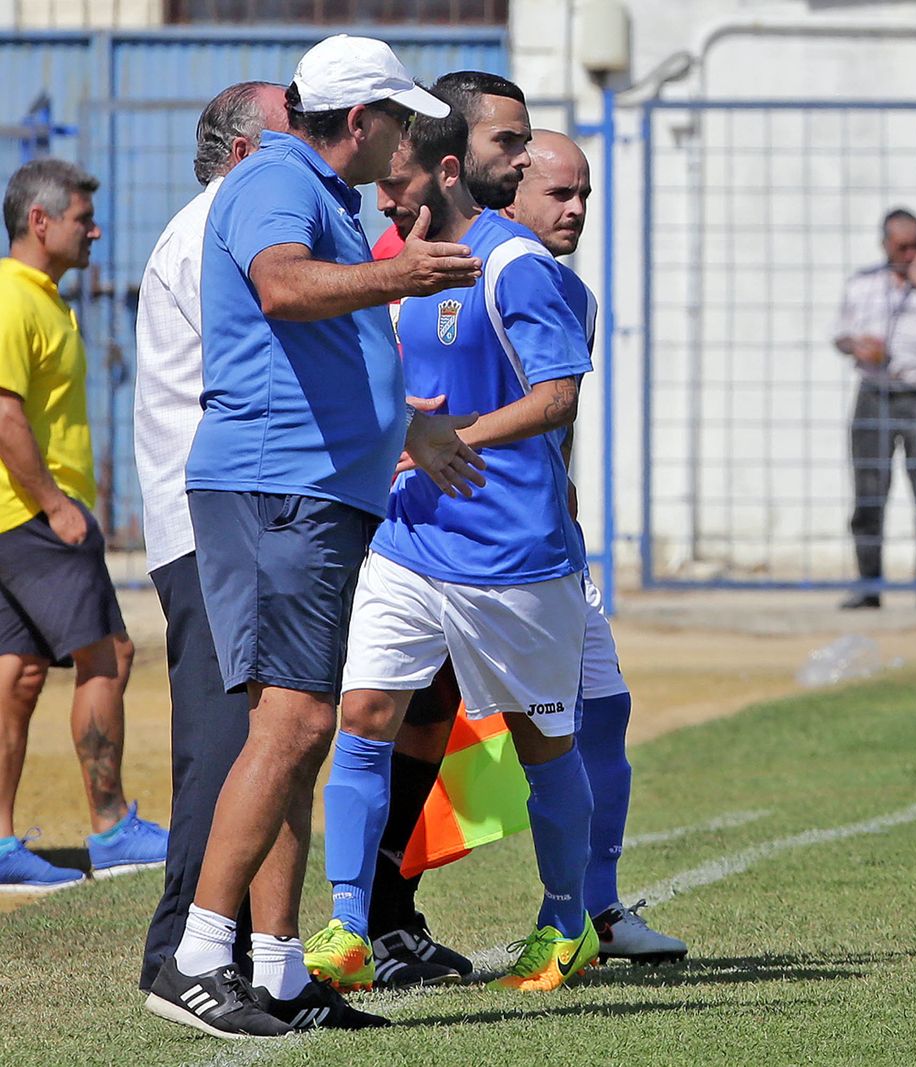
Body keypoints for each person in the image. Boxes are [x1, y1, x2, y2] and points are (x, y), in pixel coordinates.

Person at [144, 34, 485, 1040]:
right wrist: (403, 277)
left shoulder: (314, 192)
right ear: (359, 121)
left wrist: (404, 423)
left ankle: (280, 967)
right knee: (288, 728)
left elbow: (318, 334)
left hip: (307, 493)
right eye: (400, 118)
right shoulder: (278, 181)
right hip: (274, 492)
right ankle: (199, 955)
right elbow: (282, 288)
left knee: (294, 733)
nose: (408, 138)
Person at [299, 103, 598, 996]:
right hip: (411, 536)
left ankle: (566, 916)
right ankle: (350, 921)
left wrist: (460, 437)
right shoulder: (398, 271)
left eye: (396, 182)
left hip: (514, 556)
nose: (384, 198)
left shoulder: (515, 266)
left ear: (445, 174)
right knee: (363, 716)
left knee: (543, 741)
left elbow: (557, 398)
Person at [505, 129, 688, 964]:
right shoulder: (460, 272)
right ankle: (365, 921)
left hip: (552, 546)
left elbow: (560, 421)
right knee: (397, 730)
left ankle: (597, 910)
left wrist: (562, 490)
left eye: (584, 194)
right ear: (510, 189)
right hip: (452, 547)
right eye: (558, 194)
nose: (575, 209)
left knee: (604, 712)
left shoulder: (571, 292)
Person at [133, 79, 289, 993]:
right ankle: (177, 956)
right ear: (242, 154)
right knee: (225, 741)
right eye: (290, 132)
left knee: (265, 738)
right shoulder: (210, 233)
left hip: (237, 517)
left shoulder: (230, 226)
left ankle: (252, 955)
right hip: (209, 521)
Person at [0, 158, 166, 893]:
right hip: (37, 517)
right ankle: (113, 829)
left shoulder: (41, 298)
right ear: (39, 222)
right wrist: (57, 504)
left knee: (19, 674)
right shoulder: (13, 300)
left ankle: (2, 842)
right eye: (80, 218)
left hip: (20, 518)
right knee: (111, 655)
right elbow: (3, 415)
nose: (94, 230)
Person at [832, 208, 916, 610]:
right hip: (875, 395)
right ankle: (868, 583)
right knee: (869, 493)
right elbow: (839, 335)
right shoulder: (863, 284)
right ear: (885, 245)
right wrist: (859, 347)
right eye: (901, 247)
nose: (909, 254)